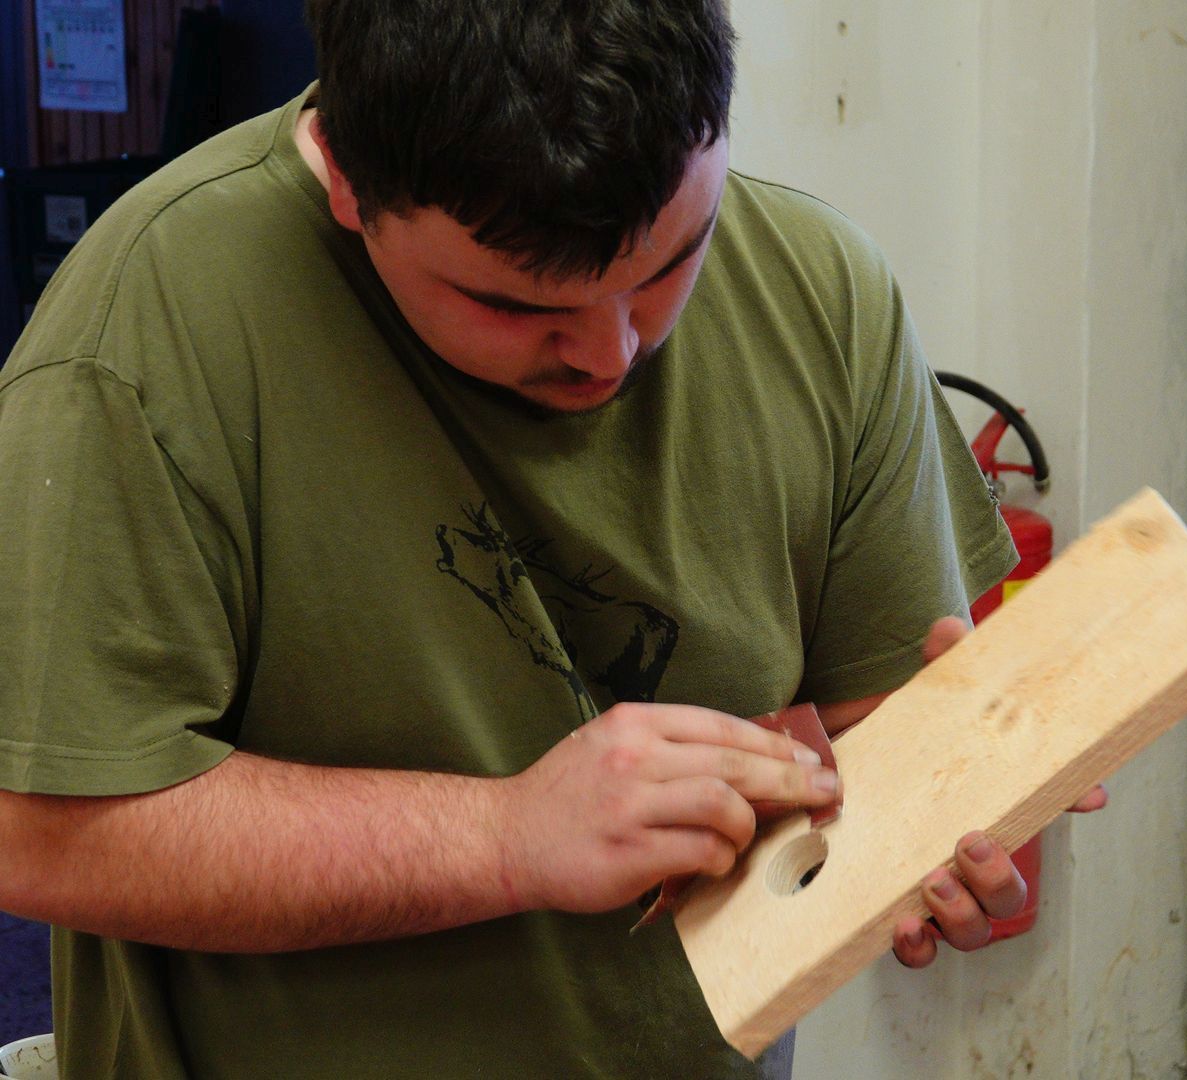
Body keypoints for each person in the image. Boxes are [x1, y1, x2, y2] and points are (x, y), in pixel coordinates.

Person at [0, 1, 1102, 1076]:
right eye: (519, 308)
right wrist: (506, 837)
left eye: (671, 265)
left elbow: (871, 738)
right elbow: (38, 831)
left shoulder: (824, 292)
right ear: (346, 178)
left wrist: (945, 798)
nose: (612, 354)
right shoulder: (144, 335)